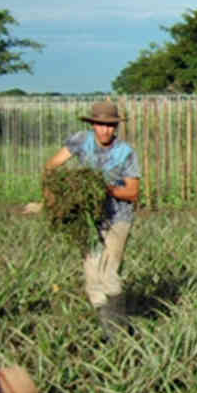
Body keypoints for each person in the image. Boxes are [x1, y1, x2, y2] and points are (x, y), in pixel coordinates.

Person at [44, 101, 141, 338]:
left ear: (116, 127)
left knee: (108, 272)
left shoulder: (125, 152)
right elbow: (52, 166)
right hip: (89, 216)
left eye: (110, 126)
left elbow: (132, 192)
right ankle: (113, 329)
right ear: (93, 125)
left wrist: (105, 189)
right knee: (91, 276)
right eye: (101, 125)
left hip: (118, 216)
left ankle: (119, 331)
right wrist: (53, 197)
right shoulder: (80, 140)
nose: (105, 130)